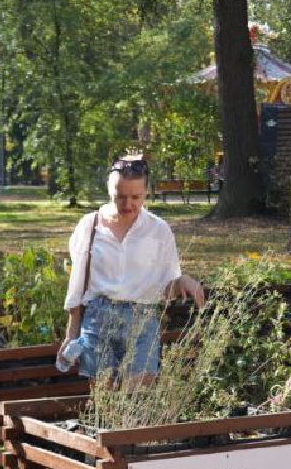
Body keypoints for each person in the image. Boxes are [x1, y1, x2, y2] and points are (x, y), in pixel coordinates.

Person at [59, 154, 206, 384]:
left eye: (136, 197)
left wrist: (183, 281)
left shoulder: (159, 230)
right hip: (98, 319)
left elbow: (165, 290)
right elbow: (77, 285)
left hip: (142, 321)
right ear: (110, 192)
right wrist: (71, 334)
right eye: (121, 197)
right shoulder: (90, 226)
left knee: (138, 399)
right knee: (104, 403)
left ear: (147, 192)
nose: (128, 204)